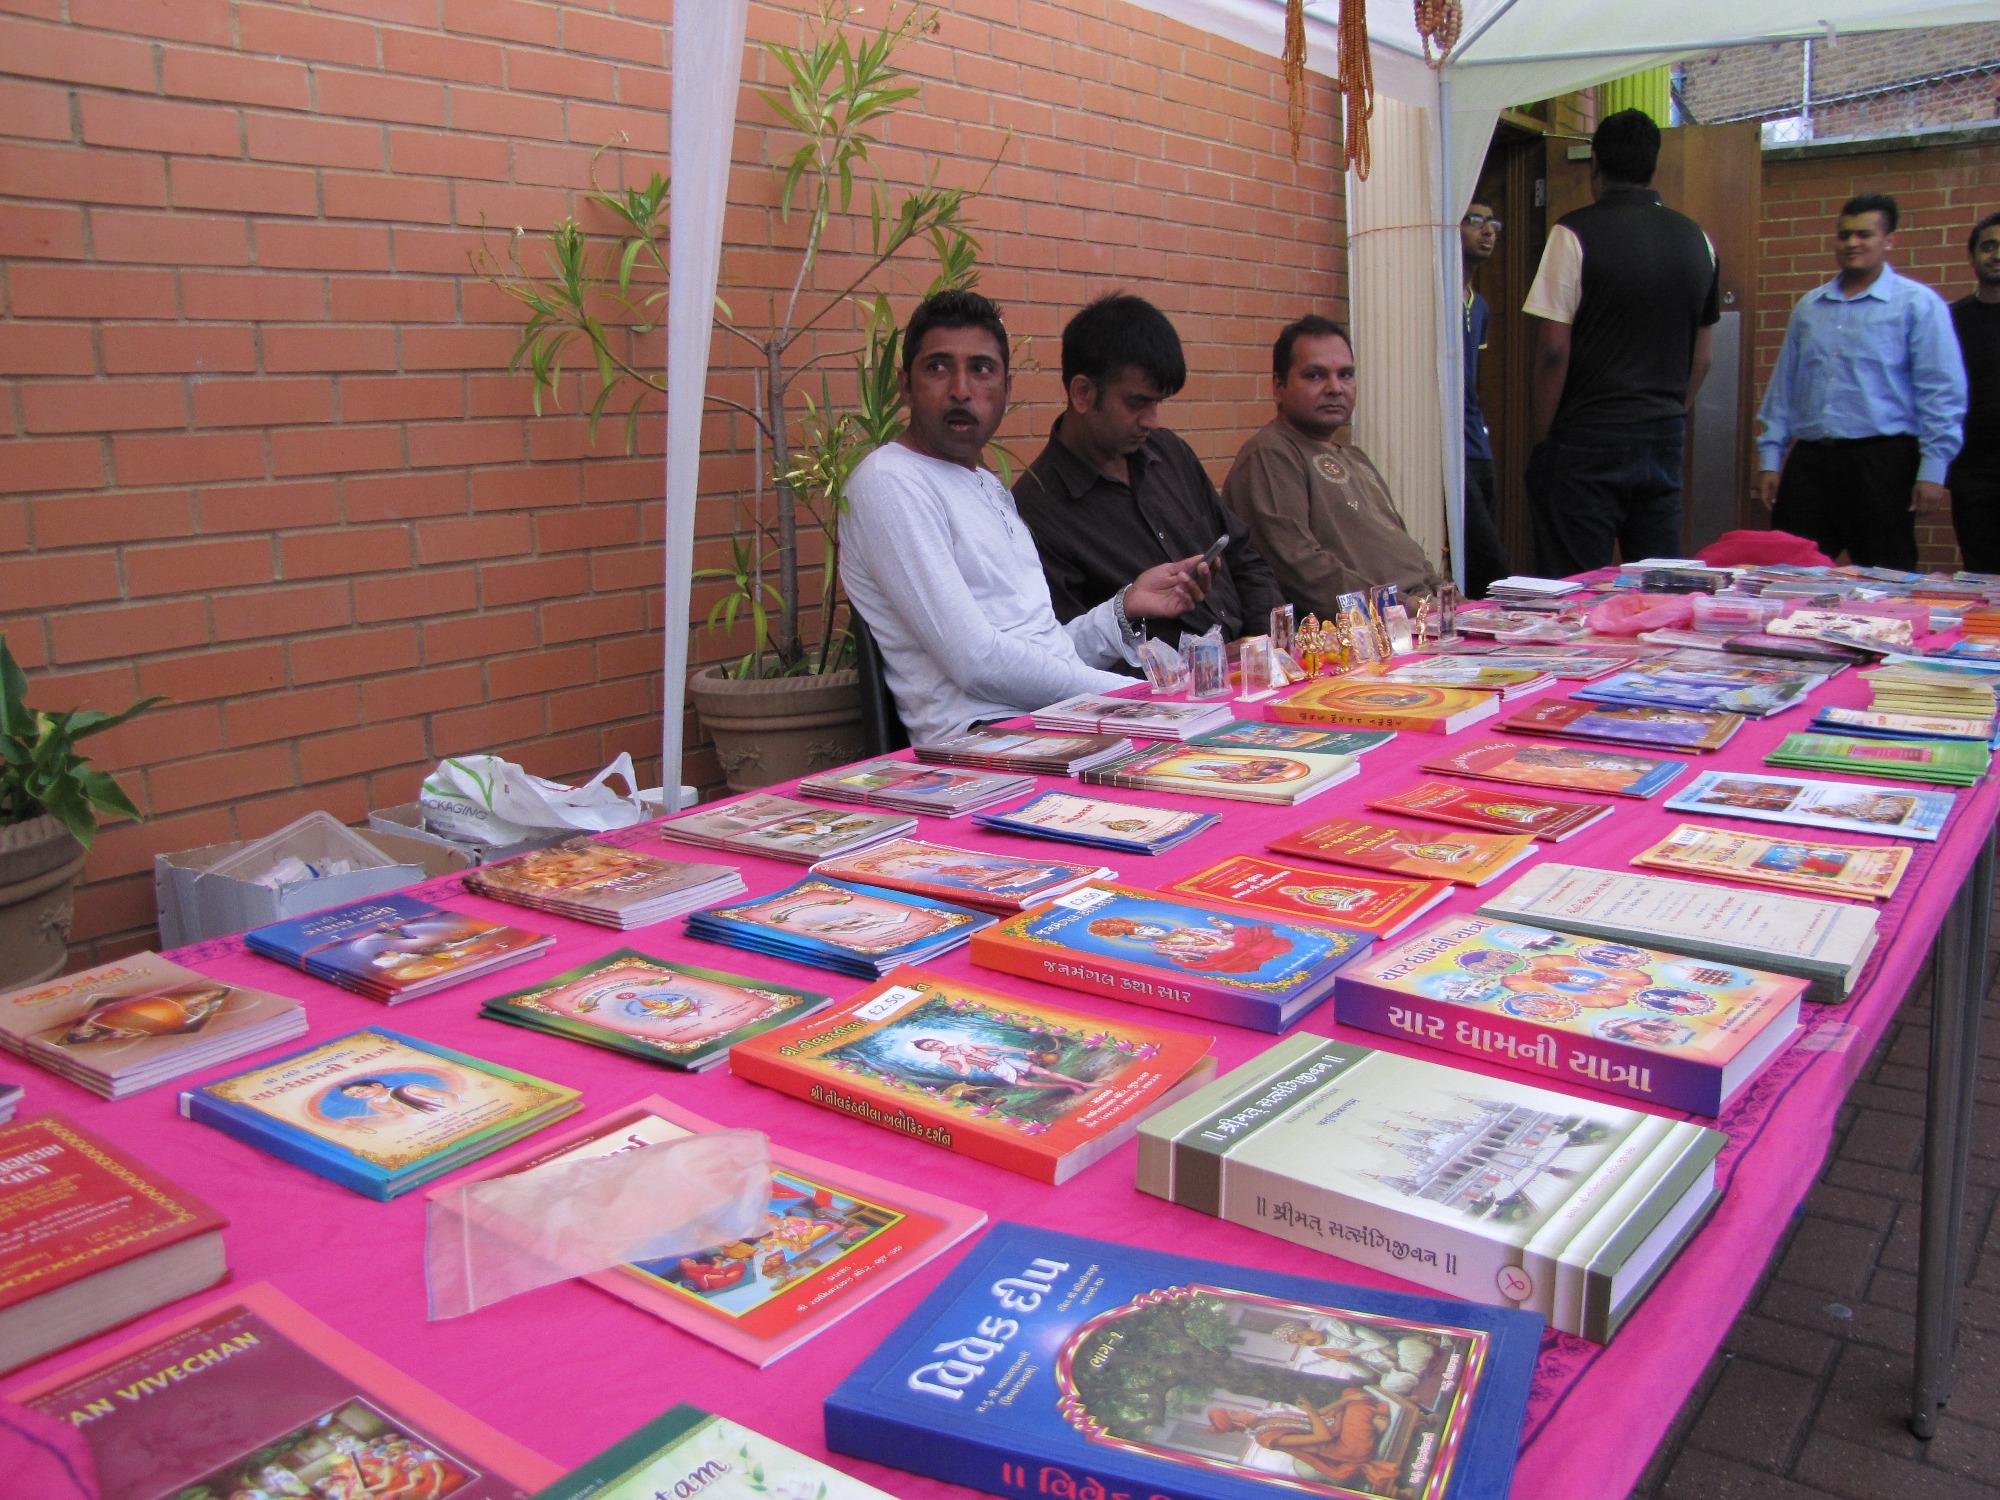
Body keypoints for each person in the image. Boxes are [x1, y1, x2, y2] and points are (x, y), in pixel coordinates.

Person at [840, 289, 1211, 746]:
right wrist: (1136, 697)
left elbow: (1044, 651)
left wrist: (1124, 607)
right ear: (905, 385)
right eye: (937, 367)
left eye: (981, 369)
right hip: (982, 740)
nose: (960, 389)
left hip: (1049, 724)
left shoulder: (986, 485)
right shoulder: (890, 481)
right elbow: (976, 662)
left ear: (1007, 390)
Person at [1012, 293, 1285, 641]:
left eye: (1158, 403)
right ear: (1082, 393)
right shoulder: (1037, 511)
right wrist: (1205, 665)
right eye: (1137, 403)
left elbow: (1244, 557)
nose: (1151, 421)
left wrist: (1267, 644)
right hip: (1166, 676)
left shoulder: (1169, 452)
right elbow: (1068, 652)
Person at [1522, 109, 1720, 575]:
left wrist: (1545, 439)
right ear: (1653, 165)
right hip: (1663, 432)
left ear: (1596, 163)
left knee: (1576, 586)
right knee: (1657, 581)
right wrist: (1670, 411)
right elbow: (1704, 357)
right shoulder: (1698, 241)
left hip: (1587, 435)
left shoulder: (1573, 233)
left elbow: (1553, 351)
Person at [1755, 193, 1967, 570]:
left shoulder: (1917, 305)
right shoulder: (1810, 308)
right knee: (1789, 572)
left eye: (1864, 234)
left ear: (1889, 240)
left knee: (1887, 576)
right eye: (1844, 235)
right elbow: (1784, 387)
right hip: (1812, 462)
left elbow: (1941, 393)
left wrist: (1933, 471)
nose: (1852, 243)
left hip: (1883, 463)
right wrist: (1771, 458)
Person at [1219, 316, 1440, 615]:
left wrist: (1451, 600)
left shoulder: (1356, 458)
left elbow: (1406, 553)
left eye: (1345, 375)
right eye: (1315, 375)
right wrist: (1402, 607)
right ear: (1279, 387)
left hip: (1424, 616)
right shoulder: (1270, 454)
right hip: (1368, 629)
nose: (1335, 387)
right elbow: (1300, 568)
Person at [1460, 198, 1513, 596]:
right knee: (1490, 563)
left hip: (1477, 446)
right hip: (1450, 450)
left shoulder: (1480, 307)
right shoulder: (1435, 297)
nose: (1487, 230)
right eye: (1474, 220)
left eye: (1492, 222)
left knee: (1482, 560)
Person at [1950, 211, 2000, 572]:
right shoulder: (1950, 319)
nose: (1997, 255)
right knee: (1981, 572)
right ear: (1972, 256)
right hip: (1974, 471)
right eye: (1989, 246)